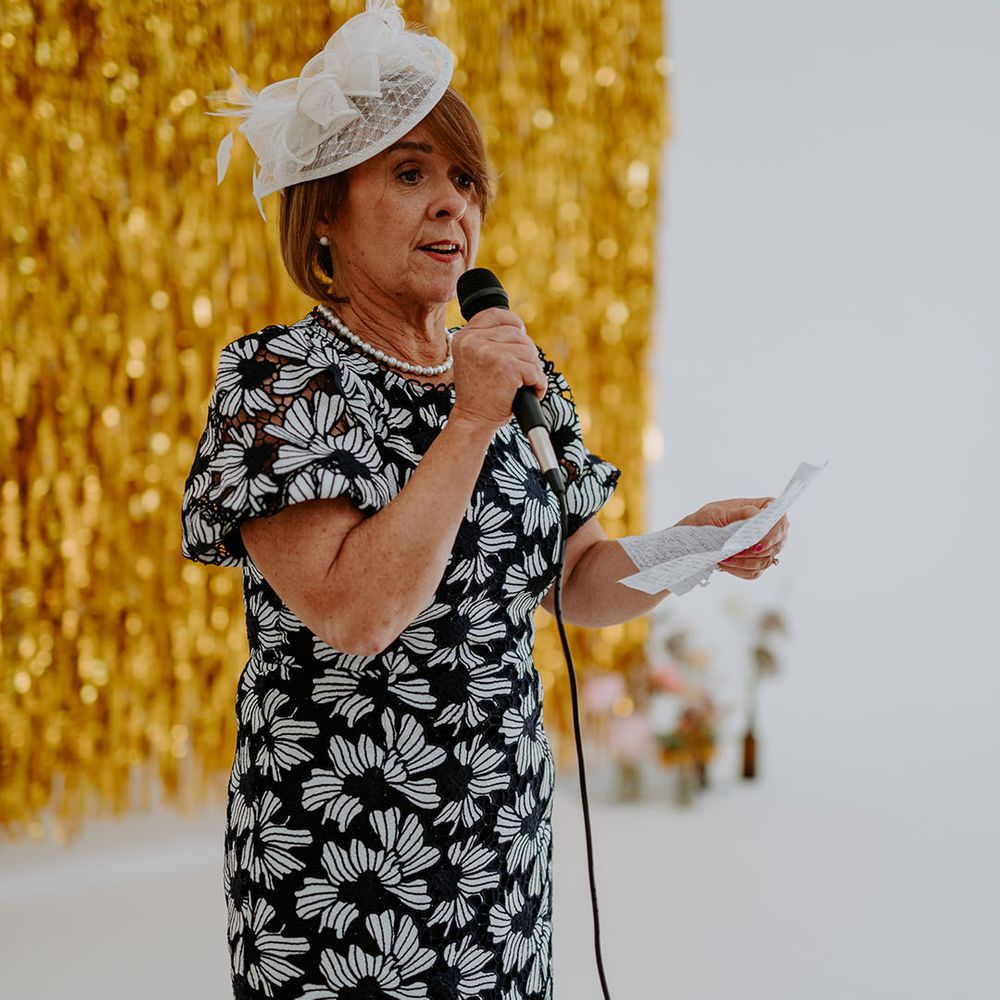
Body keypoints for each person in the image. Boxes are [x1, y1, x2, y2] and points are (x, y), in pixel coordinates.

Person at [181, 4, 788, 998]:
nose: (450, 206)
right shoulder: (281, 381)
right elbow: (357, 612)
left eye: (465, 181)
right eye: (409, 173)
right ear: (324, 208)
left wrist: (689, 546)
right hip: (341, 867)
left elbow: (577, 578)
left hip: (497, 850)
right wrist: (468, 420)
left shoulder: (511, 369)